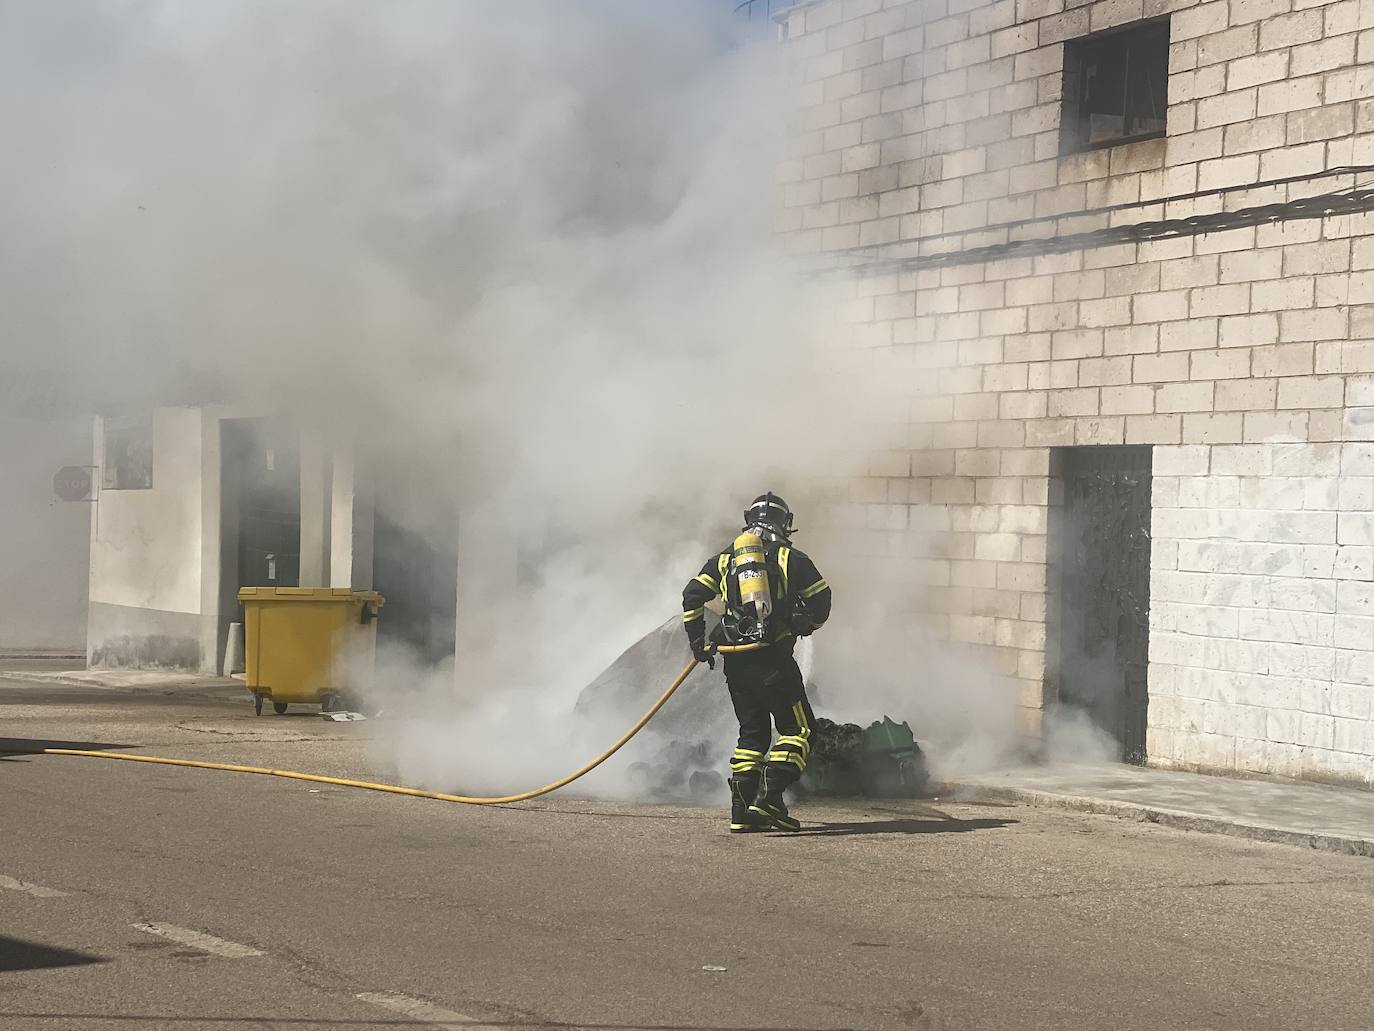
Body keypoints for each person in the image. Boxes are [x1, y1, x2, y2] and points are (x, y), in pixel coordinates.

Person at [681, 493, 832, 833]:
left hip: (735, 664)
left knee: (752, 734)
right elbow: (822, 602)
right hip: (773, 662)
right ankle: (771, 799)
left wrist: (697, 643)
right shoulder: (791, 558)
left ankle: (741, 810)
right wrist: (799, 624)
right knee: (800, 730)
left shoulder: (725, 559)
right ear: (786, 523)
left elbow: (692, 597)